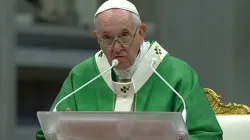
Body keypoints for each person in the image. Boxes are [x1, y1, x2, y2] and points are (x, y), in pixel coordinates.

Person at [36, 0, 223, 139]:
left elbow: (208, 135)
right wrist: (64, 132)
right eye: (107, 38)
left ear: (141, 33)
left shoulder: (177, 75)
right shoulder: (82, 76)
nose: (116, 48)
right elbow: (46, 134)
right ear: (97, 38)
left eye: (124, 35)